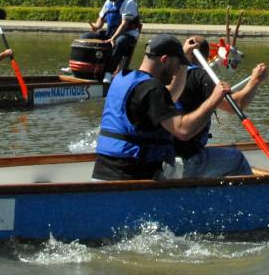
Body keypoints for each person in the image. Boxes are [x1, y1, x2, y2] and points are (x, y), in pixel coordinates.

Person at [92, 34, 229, 180]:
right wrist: (213, 100)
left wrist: (182, 59)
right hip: (134, 178)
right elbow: (183, 130)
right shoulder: (153, 89)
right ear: (164, 60)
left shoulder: (123, 78)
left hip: (103, 172)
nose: (177, 72)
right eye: (177, 65)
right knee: (235, 159)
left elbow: (171, 96)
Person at [169, 35, 269, 177]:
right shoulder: (200, 76)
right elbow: (236, 105)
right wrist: (255, 81)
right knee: (237, 158)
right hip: (188, 160)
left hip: (165, 156)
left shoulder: (166, 74)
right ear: (207, 56)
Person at [88, 0, 141, 77]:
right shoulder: (108, 2)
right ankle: (86, 67)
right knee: (86, 37)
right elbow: (100, 21)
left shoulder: (129, 3)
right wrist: (95, 27)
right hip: (111, 33)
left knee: (120, 41)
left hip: (128, 35)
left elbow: (124, 24)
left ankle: (108, 72)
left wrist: (113, 38)